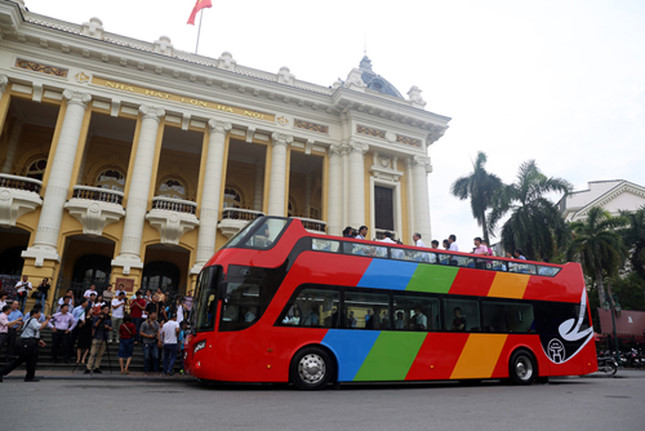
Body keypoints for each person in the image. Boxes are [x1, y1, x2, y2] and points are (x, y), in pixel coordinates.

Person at [0, 306, 51, 382]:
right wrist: (47, 320)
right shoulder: (33, 320)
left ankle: (28, 376)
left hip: (28, 342)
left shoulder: (29, 320)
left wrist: (39, 340)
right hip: (29, 343)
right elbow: (39, 327)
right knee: (30, 360)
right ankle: (29, 377)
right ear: (34, 314)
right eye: (39, 313)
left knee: (23, 360)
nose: (40, 315)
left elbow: (29, 332)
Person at [84, 304, 112, 374]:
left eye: (108, 310)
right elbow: (94, 326)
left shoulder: (108, 319)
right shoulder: (97, 318)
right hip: (97, 336)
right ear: (102, 310)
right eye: (106, 309)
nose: (107, 311)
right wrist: (100, 319)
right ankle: (89, 367)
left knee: (100, 354)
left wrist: (107, 327)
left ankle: (96, 366)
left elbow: (111, 328)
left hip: (104, 337)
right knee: (93, 353)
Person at [140, 311, 160, 375]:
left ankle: (155, 370)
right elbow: (141, 332)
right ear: (150, 315)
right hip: (146, 342)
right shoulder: (144, 323)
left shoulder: (156, 323)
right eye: (154, 314)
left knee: (156, 356)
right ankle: (147, 370)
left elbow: (158, 332)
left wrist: (159, 340)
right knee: (147, 356)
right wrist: (148, 336)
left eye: (156, 314)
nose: (155, 315)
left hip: (154, 342)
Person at [75, 301, 93, 366]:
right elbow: (79, 325)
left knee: (87, 346)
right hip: (82, 332)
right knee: (79, 346)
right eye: (91, 310)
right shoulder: (82, 316)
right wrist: (82, 323)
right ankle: (78, 358)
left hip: (88, 333)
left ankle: (83, 358)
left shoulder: (92, 318)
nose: (92, 311)